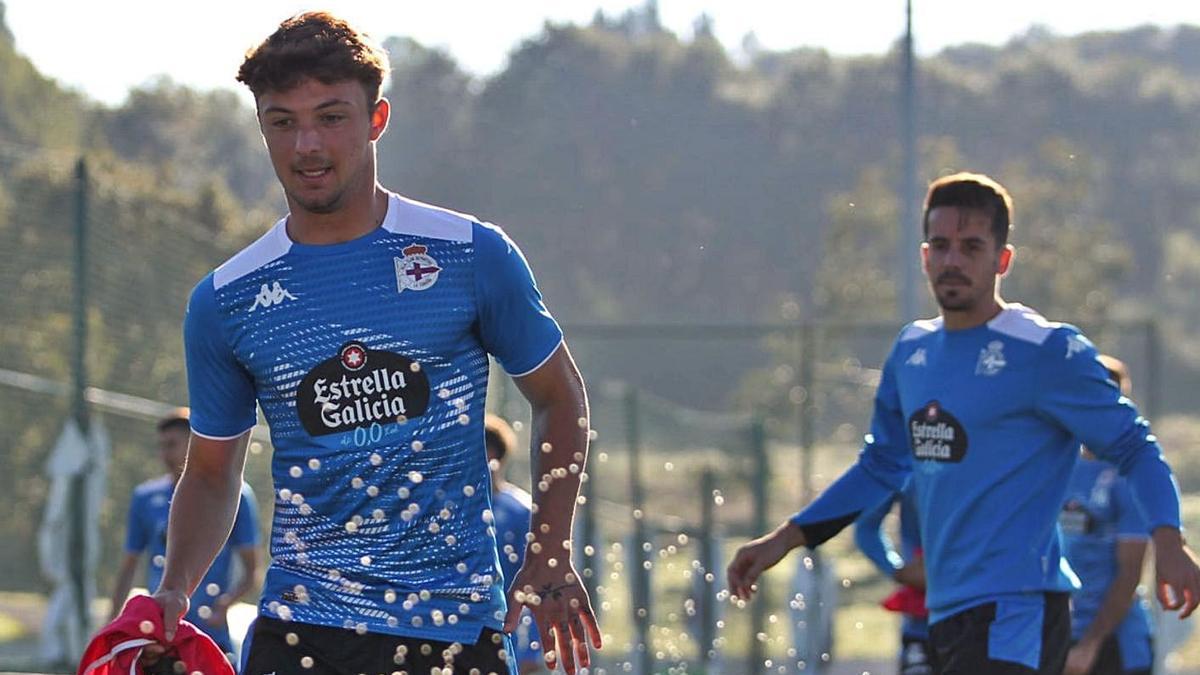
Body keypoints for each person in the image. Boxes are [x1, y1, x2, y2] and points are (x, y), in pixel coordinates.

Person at [119, 11, 600, 675]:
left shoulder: (468, 254)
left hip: (455, 629)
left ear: (376, 120)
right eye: (282, 121)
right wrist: (175, 586)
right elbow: (210, 471)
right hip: (301, 631)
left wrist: (548, 552)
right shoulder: (225, 300)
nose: (306, 144)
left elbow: (560, 398)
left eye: (331, 116)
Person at [726, 172, 1200, 675]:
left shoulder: (1046, 351)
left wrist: (1170, 540)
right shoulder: (912, 352)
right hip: (948, 610)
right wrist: (784, 539)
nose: (953, 260)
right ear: (924, 255)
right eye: (941, 245)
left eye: (971, 247)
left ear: (1002, 260)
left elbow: (1134, 447)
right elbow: (881, 466)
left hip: (1020, 609)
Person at [107, 408, 260, 663]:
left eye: (172, 445)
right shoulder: (145, 497)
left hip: (210, 634)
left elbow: (252, 571)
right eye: (161, 446)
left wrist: (225, 604)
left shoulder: (237, 497)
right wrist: (113, 622)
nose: (164, 454)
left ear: (196, 443)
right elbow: (128, 566)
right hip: (161, 634)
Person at [1061, 355, 1154, 675]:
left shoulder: (1127, 476)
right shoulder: (1062, 466)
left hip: (1115, 642)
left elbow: (1130, 573)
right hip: (1063, 635)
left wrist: (1090, 643)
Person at [485, 414, 545, 674]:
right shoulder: (455, 511)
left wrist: (532, 646)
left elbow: (537, 581)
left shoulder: (520, 511)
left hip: (508, 628)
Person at [854, 482, 930, 675]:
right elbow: (866, 527)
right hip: (920, 625)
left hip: (988, 618)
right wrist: (897, 571)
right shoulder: (908, 457)